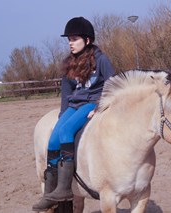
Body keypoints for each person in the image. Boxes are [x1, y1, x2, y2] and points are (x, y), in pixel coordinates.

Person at [32, 16, 115, 212]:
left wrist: (99, 107)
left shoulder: (101, 59)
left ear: (87, 40)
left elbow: (112, 83)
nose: (70, 43)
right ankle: (50, 191)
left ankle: (64, 188)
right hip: (74, 105)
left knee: (67, 132)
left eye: (74, 39)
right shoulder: (69, 62)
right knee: (53, 140)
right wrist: (62, 114)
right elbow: (66, 92)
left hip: (91, 103)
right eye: (68, 39)